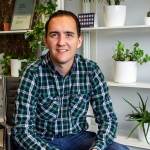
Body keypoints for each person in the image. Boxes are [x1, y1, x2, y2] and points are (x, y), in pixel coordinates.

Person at [12, 10, 130, 150]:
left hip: (78, 139)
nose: (61, 42)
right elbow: (21, 130)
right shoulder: (32, 72)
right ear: (46, 41)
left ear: (78, 41)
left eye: (69, 35)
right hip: (42, 140)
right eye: (54, 35)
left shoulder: (91, 70)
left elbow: (108, 120)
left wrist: (97, 148)